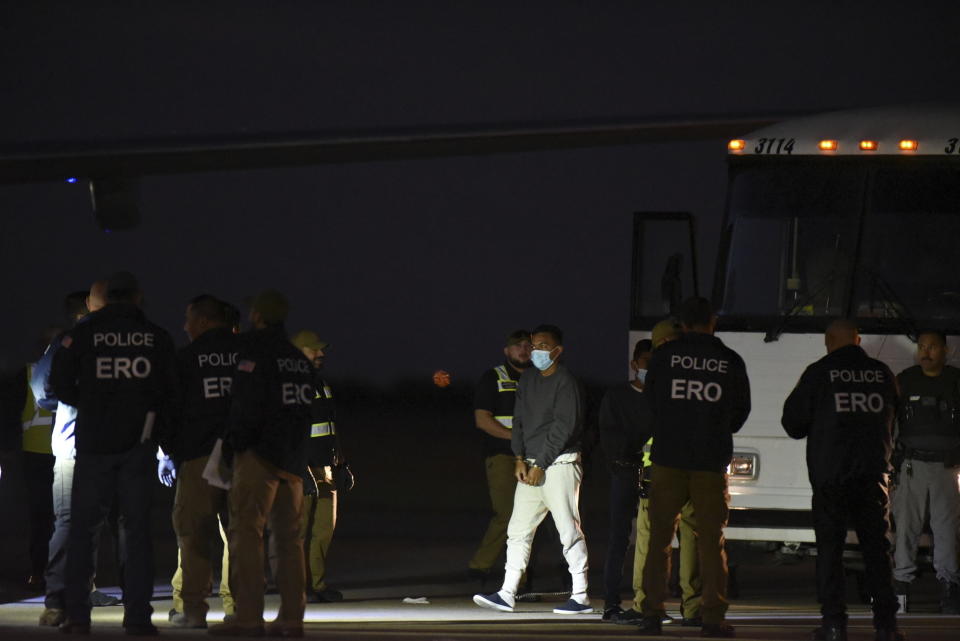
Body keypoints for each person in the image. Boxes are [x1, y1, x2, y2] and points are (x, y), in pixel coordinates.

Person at [51, 272, 178, 635]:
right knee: (136, 534)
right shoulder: (156, 337)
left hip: (93, 446)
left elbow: (58, 384)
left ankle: (77, 616)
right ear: (138, 297)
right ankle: (137, 617)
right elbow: (170, 392)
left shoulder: (83, 335)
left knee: (82, 533)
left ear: (106, 299)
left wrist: (92, 405)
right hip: (138, 446)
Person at [782, 319, 902, 641]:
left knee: (830, 552)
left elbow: (792, 423)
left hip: (830, 478)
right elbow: (898, 423)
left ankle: (834, 624)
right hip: (872, 476)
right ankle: (887, 626)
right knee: (877, 551)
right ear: (858, 339)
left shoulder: (819, 373)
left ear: (828, 341)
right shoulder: (882, 374)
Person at [636, 297, 750, 638]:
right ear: (712, 322)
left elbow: (651, 404)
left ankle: (652, 614)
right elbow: (739, 412)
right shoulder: (729, 360)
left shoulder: (664, 358)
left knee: (658, 539)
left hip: (669, 458)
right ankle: (711, 616)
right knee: (709, 540)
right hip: (709, 461)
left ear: (682, 324)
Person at [209, 290, 314, 638]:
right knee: (290, 541)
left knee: (247, 536)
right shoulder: (298, 359)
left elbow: (246, 406)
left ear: (257, 315)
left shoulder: (255, 353)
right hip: (294, 461)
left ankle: (249, 618)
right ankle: (291, 618)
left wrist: (233, 446)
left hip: (259, 457)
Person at [473, 324, 591, 615]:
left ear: (557, 350)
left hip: (560, 464)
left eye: (541, 345)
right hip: (530, 467)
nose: (535, 350)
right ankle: (507, 592)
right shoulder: (527, 382)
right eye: (533, 345)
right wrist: (519, 458)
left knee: (568, 529)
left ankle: (580, 595)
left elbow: (563, 427)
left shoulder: (566, 382)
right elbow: (520, 421)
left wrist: (539, 463)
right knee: (517, 530)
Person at [32, 284, 125, 627]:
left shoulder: (71, 339)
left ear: (89, 303)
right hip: (114, 447)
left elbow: (42, 389)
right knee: (99, 525)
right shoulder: (132, 340)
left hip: (73, 443)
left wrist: (72, 401)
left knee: (69, 524)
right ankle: (83, 595)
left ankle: (59, 601)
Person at [604, 320, 703, 626]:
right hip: (694, 467)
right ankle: (694, 607)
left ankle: (648, 606)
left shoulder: (659, 381)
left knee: (653, 540)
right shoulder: (696, 372)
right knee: (691, 537)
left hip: (660, 470)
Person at [166, 295, 240, 628]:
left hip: (198, 458)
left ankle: (193, 611)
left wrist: (173, 452)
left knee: (194, 534)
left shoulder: (186, 358)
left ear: (204, 321)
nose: (185, 326)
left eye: (188, 319)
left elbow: (169, 410)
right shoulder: (250, 355)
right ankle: (241, 610)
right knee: (242, 537)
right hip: (245, 459)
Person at [891, 330, 960, 614]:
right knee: (906, 527)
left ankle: (950, 586)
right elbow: (890, 418)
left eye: (932, 347)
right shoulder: (905, 380)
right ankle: (901, 586)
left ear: (946, 350)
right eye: (921, 346)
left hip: (947, 466)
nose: (926, 352)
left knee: (947, 530)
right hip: (911, 465)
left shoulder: (956, 381)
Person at [468, 330, 532, 582]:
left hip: (534, 458)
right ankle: (479, 567)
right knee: (506, 513)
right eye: (518, 346)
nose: (524, 349)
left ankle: (521, 576)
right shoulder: (493, 377)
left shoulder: (540, 378)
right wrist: (515, 439)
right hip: (502, 455)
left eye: (528, 345)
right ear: (507, 351)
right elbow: (482, 420)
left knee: (528, 518)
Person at [291, 329, 344, 603]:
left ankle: (318, 584)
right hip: (304, 471)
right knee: (298, 532)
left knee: (324, 530)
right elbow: (288, 432)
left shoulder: (322, 384)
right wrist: (302, 469)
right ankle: (299, 588)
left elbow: (331, 428)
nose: (321, 354)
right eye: (314, 349)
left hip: (326, 469)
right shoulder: (292, 385)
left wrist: (342, 463)